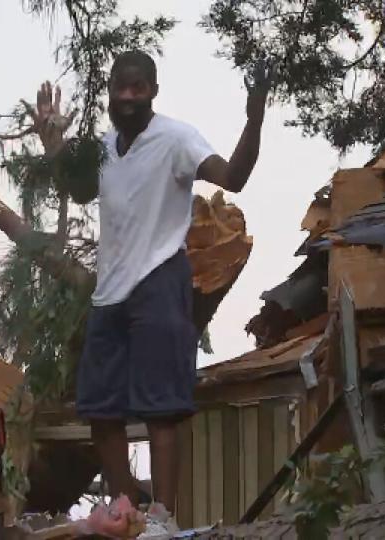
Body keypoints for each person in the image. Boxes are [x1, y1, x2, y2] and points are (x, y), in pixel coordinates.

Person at [67, 50, 270, 519]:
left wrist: (254, 118)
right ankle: (125, 510)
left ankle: (161, 516)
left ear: (154, 91)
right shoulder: (102, 147)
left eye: (139, 87)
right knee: (100, 410)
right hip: (109, 290)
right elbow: (79, 190)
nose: (129, 96)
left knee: (161, 409)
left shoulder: (175, 138)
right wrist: (57, 148)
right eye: (122, 87)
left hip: (159, 279)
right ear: (111, 92)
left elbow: (233, 177)